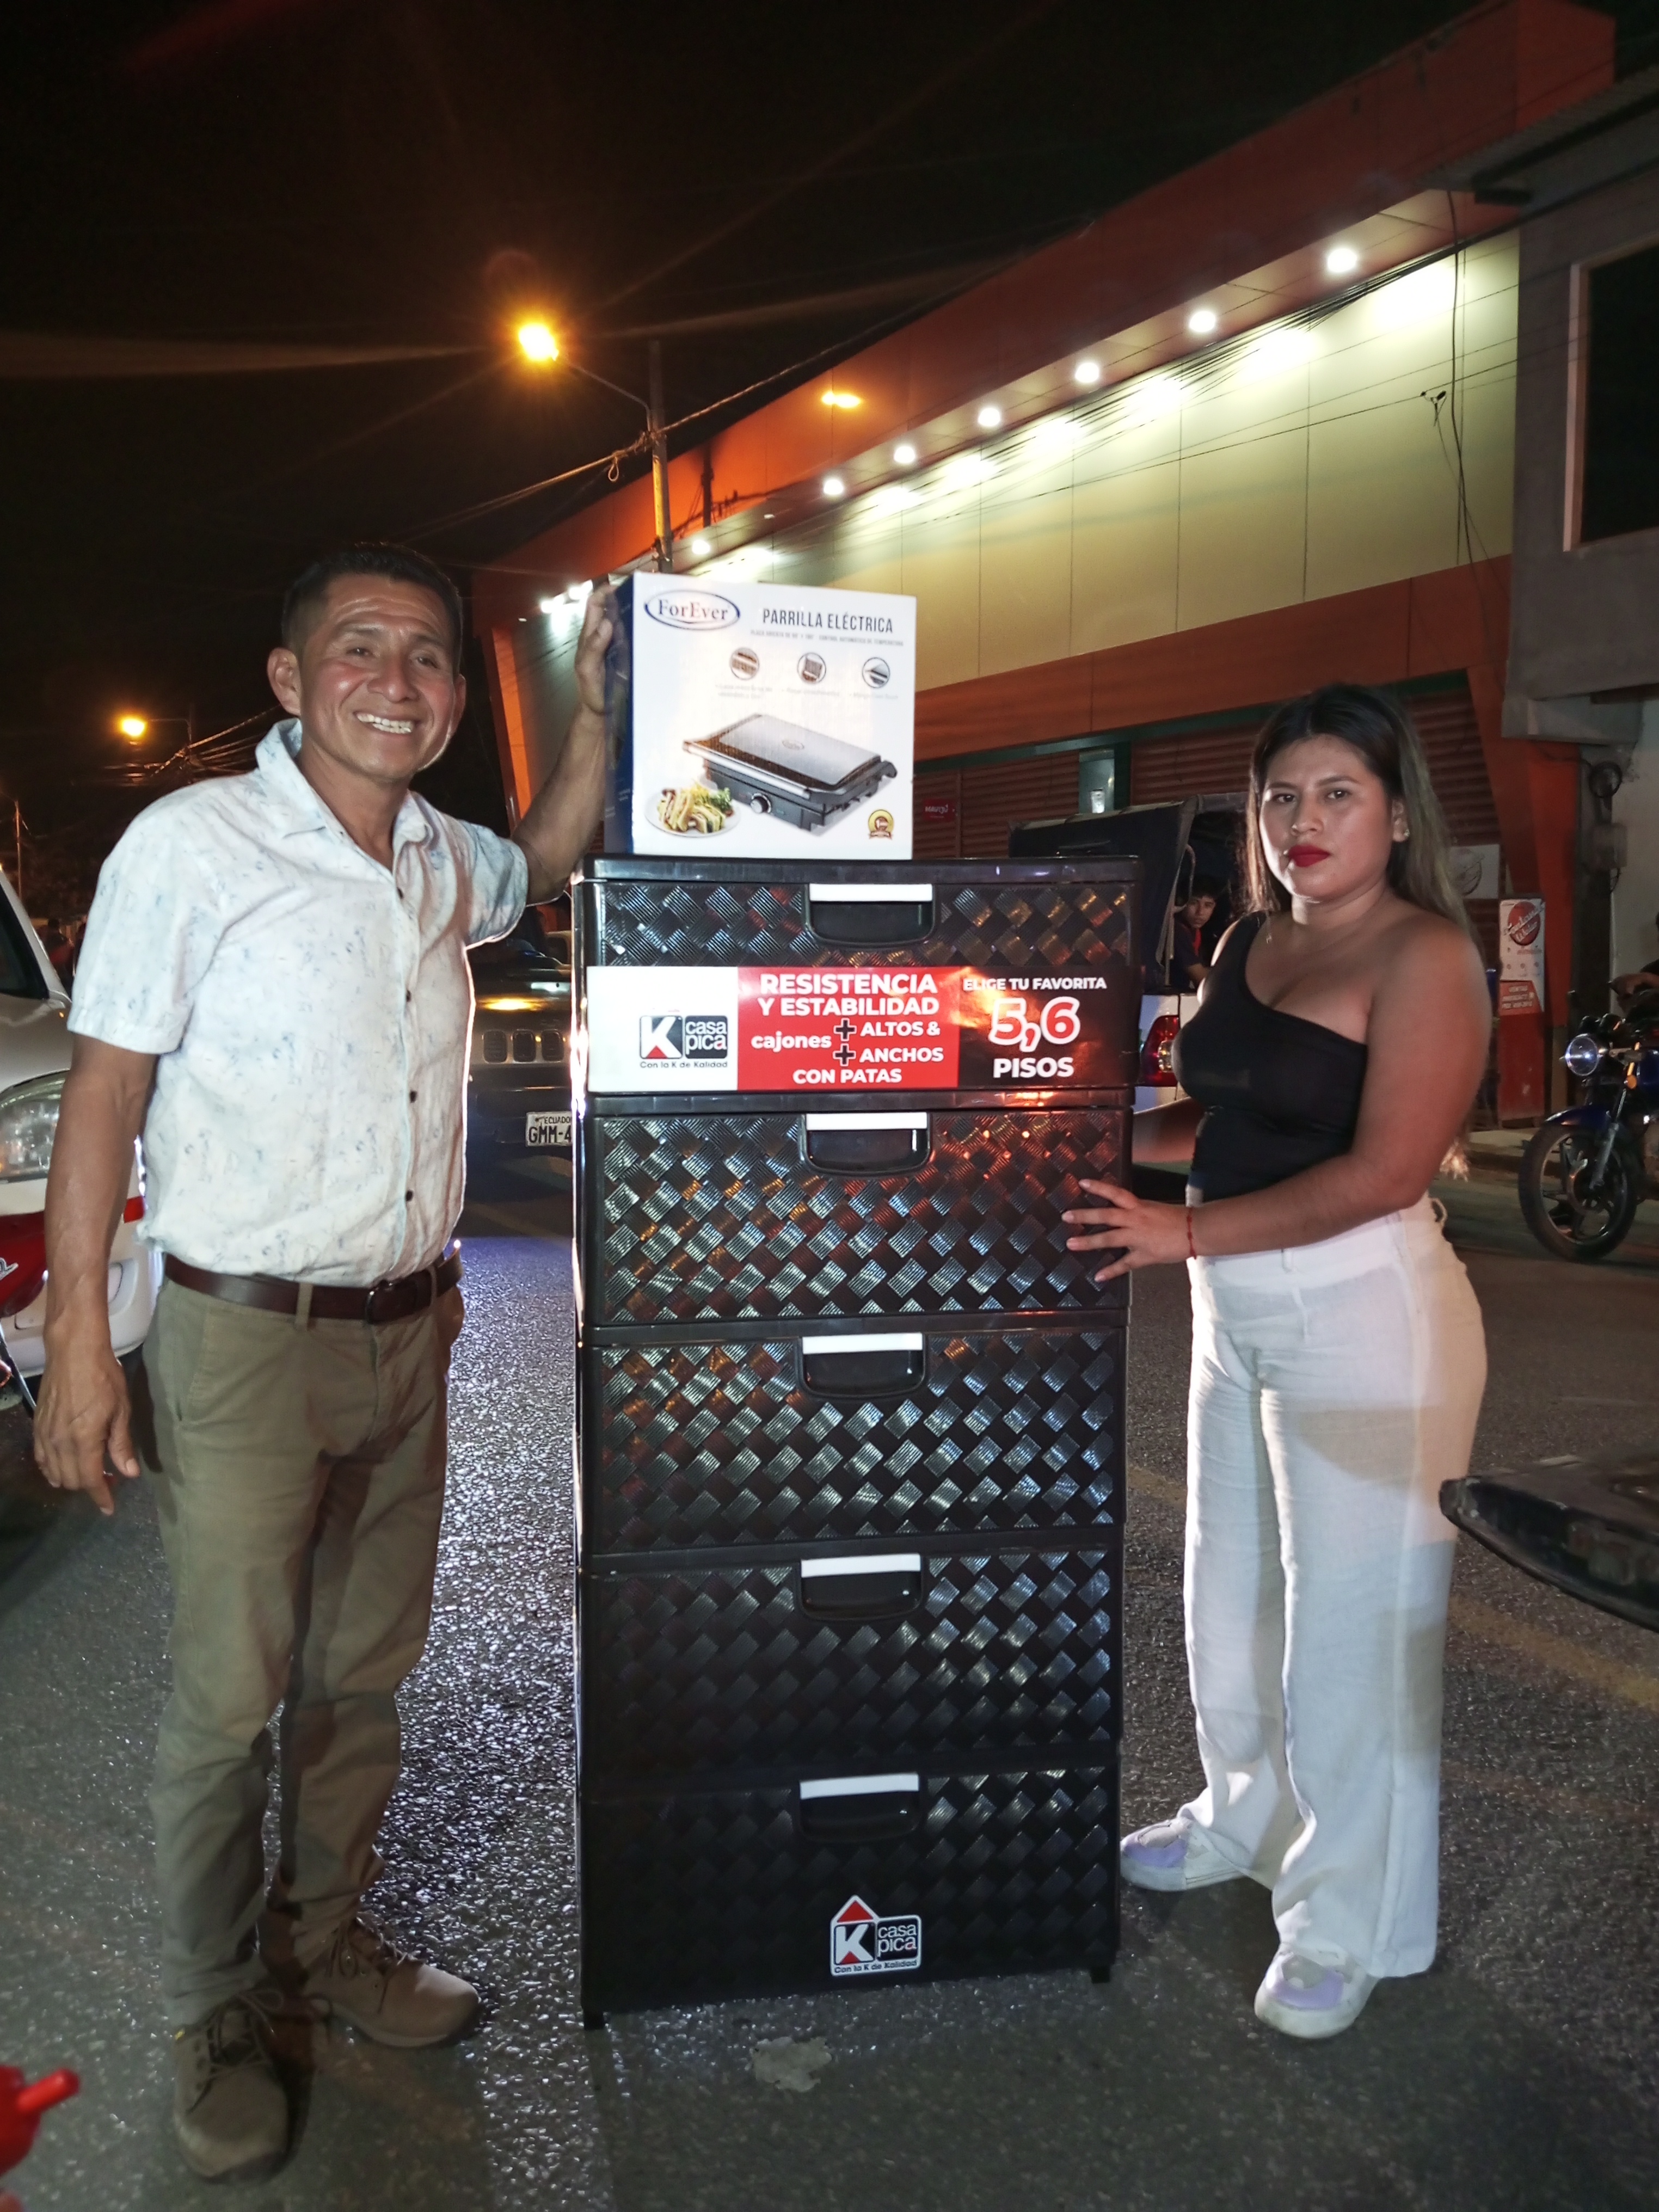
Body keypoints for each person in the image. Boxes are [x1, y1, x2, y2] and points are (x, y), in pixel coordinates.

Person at [33, 543, 611, 2181]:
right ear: (291, 679)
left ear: (452, 697)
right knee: (230, 1697)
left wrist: (596, 714)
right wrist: (80, 1338)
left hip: (410, 1326)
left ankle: (322, 1938)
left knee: (364, 1674)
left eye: (427, 656)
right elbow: (102, 1093)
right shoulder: (191, 844)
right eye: (361, 648)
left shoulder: (438, 857)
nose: (397, 681)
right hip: (241, 1335)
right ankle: (215, 2005)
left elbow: (543, 857)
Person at [1065, 683, 1490, 2041]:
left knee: (1354, 1635)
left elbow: (1382, 1171)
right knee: (1232, 1591)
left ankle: (1349, 1919)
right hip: (1235, 1303)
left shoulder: (1425, 955)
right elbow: (1227, 1114)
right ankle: (1241, 1817)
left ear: (1395, 814)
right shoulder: (1253, 937)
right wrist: (1074, 1135)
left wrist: (1179, 1229)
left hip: (1367, 1311)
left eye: (1336, 795)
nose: (1303, 821)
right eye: (1280, 797)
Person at [1171, 877, 1221, 990]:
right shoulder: (1177, 931)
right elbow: (1201, 979)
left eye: (1208, 905)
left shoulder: (1195, 931)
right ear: (1181, 903)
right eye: (1193, 903)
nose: (1200, 912)